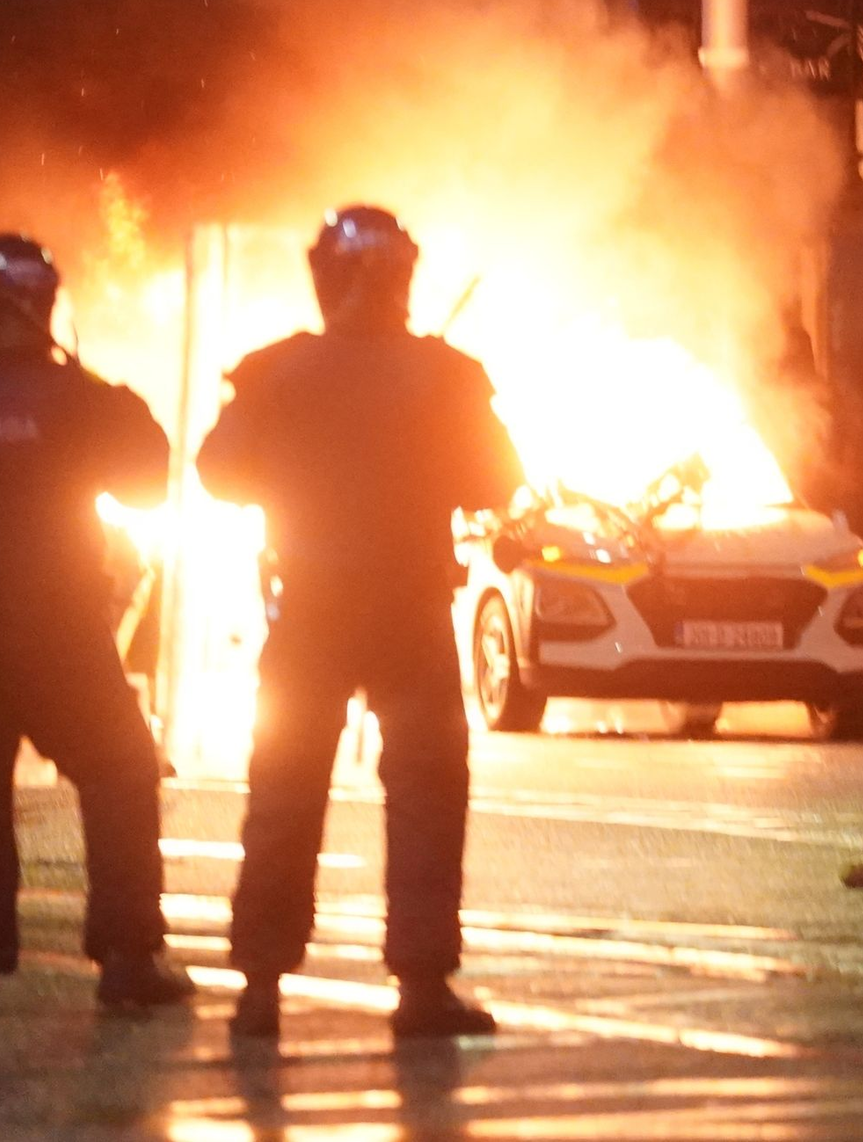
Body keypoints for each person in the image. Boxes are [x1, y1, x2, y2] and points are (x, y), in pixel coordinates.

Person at [197, 206, 525, 1039]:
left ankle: (261, 986)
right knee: (425, 793)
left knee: (285, 788)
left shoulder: (276, 372)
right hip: (409, 611)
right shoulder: (446, 374)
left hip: (308, 612)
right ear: (403, 279)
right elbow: (496, 479)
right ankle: (420, 985)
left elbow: (220, 474)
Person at [0, 232, 194, 1007]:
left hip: (52, 625)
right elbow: (148, 476)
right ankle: (126, 955)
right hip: (57, 630)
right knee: (120, 769)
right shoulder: (75, 398)